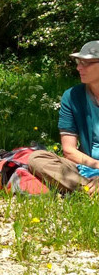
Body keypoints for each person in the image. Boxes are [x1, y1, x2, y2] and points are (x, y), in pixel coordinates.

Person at [29, 40, 99, 195]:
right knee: (37, 158)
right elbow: (69, 150)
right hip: (86, 166)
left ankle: (84, 190)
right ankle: (88, 188)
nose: (79, 67)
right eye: (78, 62)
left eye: (86, 63)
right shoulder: (72, 96)